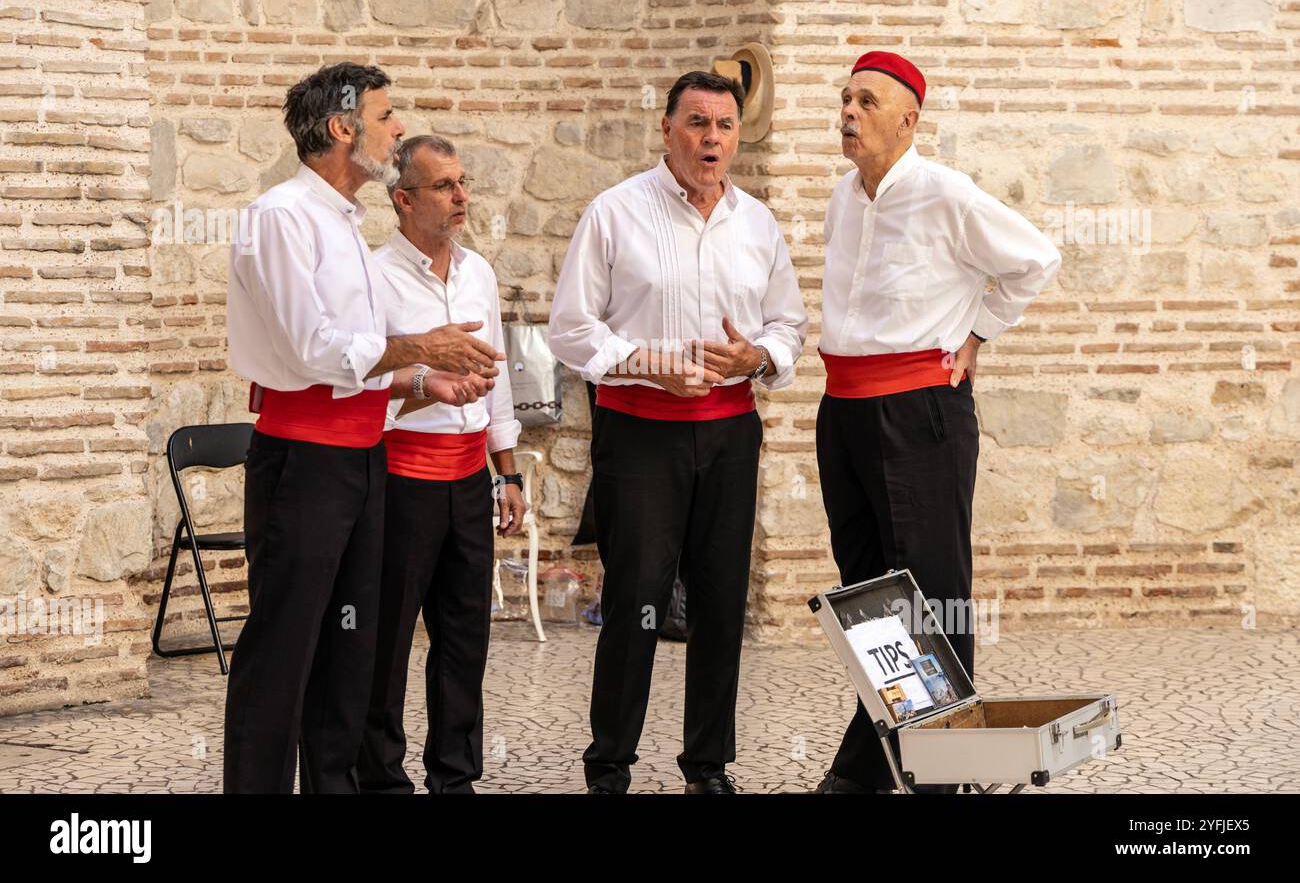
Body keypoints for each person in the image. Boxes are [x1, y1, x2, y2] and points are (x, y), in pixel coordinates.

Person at [223, 63, 504, 794]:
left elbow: (361, 364)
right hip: (305, 461)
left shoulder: (345, 220)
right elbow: (313, 350)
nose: (398, 128)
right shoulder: (280, 217)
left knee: (350, 649)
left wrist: (419, 379)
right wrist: (422, 348)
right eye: (386, 115)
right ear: (344, 127)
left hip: (361, 455)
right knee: (284, 650)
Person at [549, 70, 808, 794]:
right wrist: (643, 364)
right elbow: (571, 328)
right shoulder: (614, 212)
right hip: (639, 438)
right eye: (697, 123)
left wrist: (758, 356)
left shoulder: (757, 222)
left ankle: (707, 766)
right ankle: (609, 767)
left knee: (723, 605)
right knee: (636, 601)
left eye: (724, 126)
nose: (712, 139)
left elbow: (789, 324)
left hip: (729, 434)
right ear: (666, 130)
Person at [812, 51, 1061, 794]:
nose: (849, 113)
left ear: (908, 121)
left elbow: (1034, 259)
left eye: (867, 102)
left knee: (931, 594)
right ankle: (876, 766)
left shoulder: (946, 192)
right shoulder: (842, 196)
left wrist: (978, 333)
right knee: (869, 603)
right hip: (844, 410)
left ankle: (938, 778)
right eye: (846, 99)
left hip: (920, 412)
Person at [357, 135, 526, 794]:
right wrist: (424, 379)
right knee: (387, 638)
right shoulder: (374, 275)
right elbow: (358, 377)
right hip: (401, 478)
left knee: (464, 637)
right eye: (444, 186)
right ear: (402, 199)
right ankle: (381, 778)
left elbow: (498, 380)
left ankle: (454, 778)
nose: (462, 196)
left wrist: (506, 472)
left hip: (468, 479)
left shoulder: (479, 272)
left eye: (463, 183)